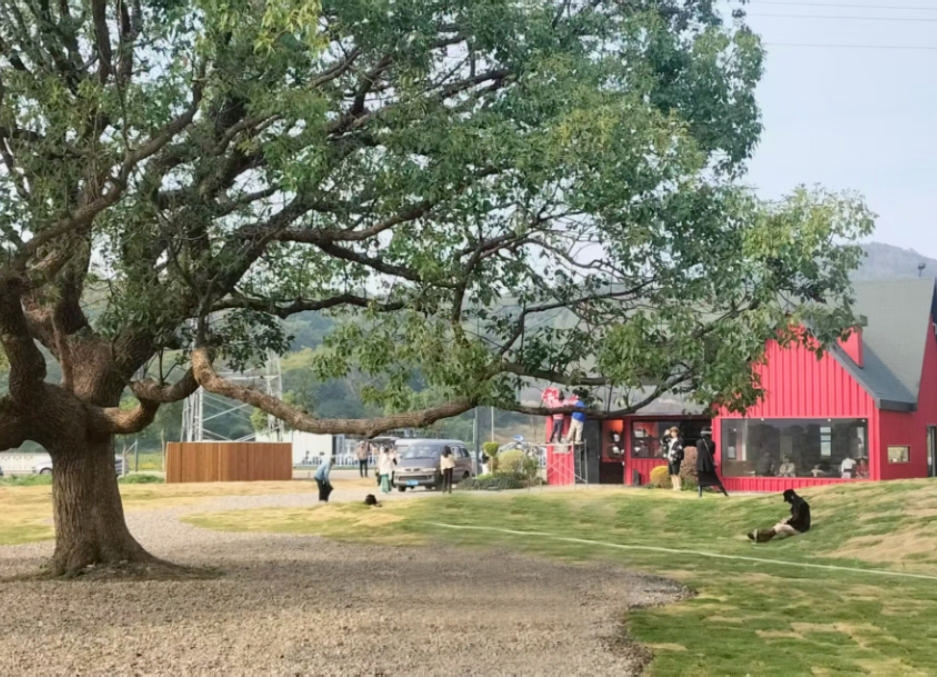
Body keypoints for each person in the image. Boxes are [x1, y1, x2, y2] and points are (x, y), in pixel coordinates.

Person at [695, 428, 728, 497]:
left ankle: (700, 494)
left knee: (701, 480)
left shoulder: (698, 442)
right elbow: (712, 452)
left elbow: (698, 451)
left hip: (700, 464)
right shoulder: (712, 443)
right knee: (715, 480)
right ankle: (725, 493)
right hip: (709, 463)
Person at [665, 426, 684, 491]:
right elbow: (664, 442)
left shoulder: (679, 440)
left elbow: (679, 449)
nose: (673, 433)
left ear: (677, 433)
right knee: (671, 473)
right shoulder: (670, 440)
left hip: (675, 458)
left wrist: (673, 456)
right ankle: (674, 486)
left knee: (676, 473)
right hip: (669, 458)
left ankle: (678, 487)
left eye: (674, 432)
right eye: (672, 432)